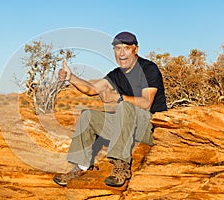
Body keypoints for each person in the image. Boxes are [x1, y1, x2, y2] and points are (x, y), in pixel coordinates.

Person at [53, 31, 167, 187]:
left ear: (135, 49)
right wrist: (71, 78)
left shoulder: (149, 69)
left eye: (126, 48)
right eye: (117, 48)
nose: (121, 53)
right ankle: (80, 166)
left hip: (150, 127)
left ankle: (121, 166)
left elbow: (146, 103)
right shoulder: (116, 75)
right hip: (127, 126)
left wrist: (119, 98)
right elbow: (92, 89)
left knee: (125, 105)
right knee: (88, 116)